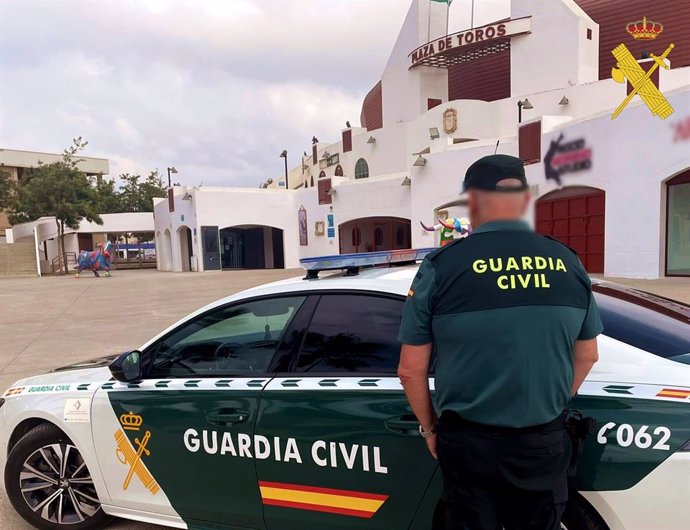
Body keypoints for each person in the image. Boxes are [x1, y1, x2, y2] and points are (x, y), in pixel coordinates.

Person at [397, 154, 602, 530]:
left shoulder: (442, 266)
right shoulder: (568, 261)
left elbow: (411, 371)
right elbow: (587, 354)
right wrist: (551, 401)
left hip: (468, 444)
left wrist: (430, 430)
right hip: (543, 441)